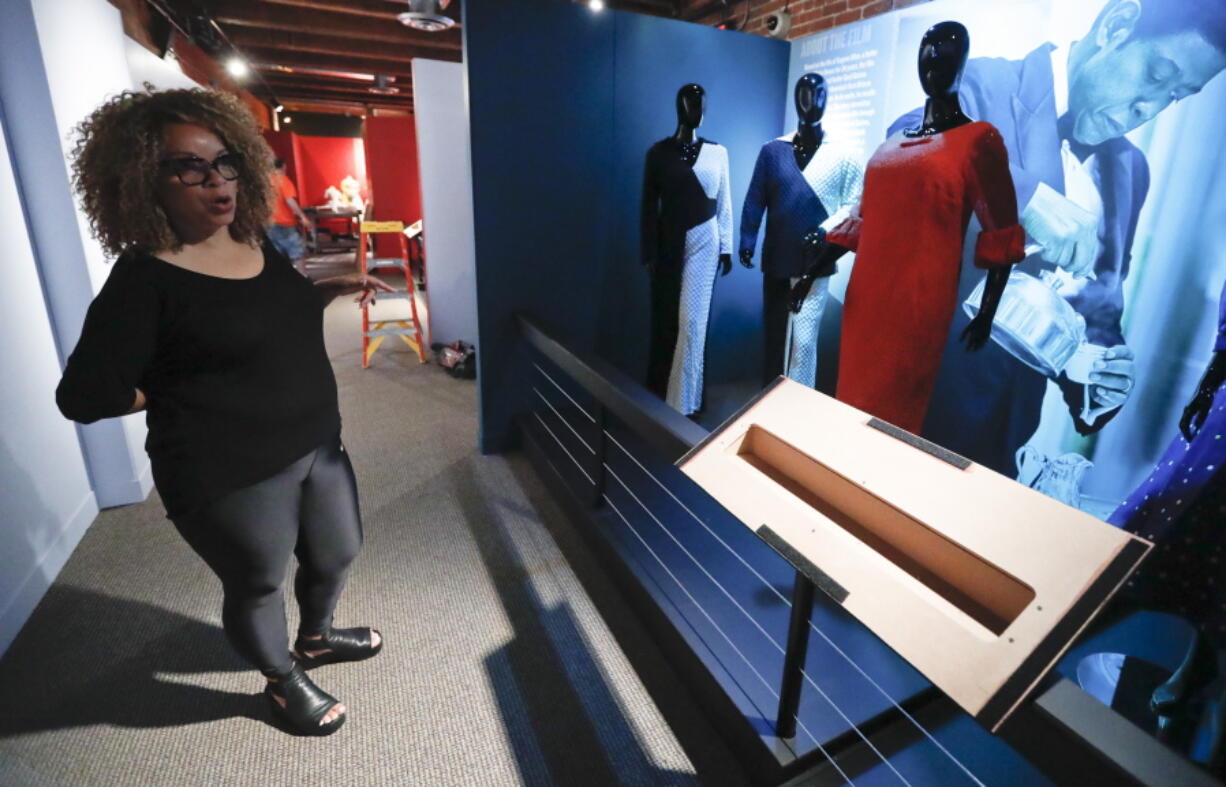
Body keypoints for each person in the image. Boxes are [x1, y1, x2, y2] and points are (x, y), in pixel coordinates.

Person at [56, 88, 395, 736]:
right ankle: (281, 679)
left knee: (338, 551)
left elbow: (268, 315)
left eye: (227, 163)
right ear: (140, 178)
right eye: (190, 166)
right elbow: (85, 395)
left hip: (316, 440)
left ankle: (317, 637)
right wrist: (171, 387)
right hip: (227, 468)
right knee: (260, 583)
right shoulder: (144, 280)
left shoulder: (252, 239)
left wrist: (332, 287)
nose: (217, 182)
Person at [887, 0, 1226, 476]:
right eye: (1155, 76)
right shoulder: (985, 84)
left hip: (1004, 448)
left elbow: (1098, 305)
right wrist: (1020, 196)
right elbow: (902, 152)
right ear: (1116, 25)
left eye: (1175, 96)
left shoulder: (1134, 170)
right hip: (905, 420)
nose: (1149, 108)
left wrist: (1098, 373)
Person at [267, 158, 312, 276]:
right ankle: (303, 278)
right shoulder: (283, 180)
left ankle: (282, 281)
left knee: (277, 253)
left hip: (269, 222)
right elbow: (290, 200)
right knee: (296, 251)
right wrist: (302, 217)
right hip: (285, 222)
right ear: (283, 167)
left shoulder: (266, 182)